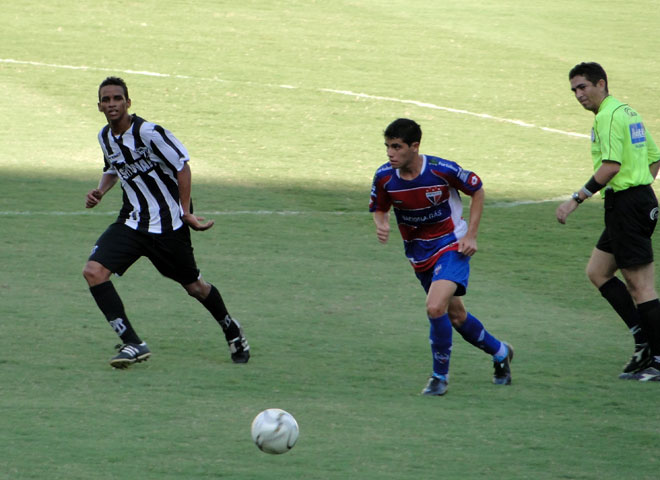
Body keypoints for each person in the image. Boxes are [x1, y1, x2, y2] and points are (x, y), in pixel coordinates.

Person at [83, 76, 250, 368]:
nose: (111, 104)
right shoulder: (105, 137)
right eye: (106, 100)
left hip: (169, 225)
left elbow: (182, 167)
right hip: (132, 221)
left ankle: (231, 329)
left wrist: (185, 211)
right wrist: (101, 190)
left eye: (117, 99)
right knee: (94, 271)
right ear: (99, 105)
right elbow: (113, 168)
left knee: (195, 287)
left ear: (128, 102)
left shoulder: (150, 133)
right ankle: (133, 343)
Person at [369, 118, 513, 396]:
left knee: (435, 307)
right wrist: (381, 222)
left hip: (451, 245)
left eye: (396, 147)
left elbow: (477, 189)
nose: (390, 153)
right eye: (387, 146)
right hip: (418, 253)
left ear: (415, 146)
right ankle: (500, 352)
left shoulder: (441, 170)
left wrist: (471, 235)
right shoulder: (385, 176)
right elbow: (379, 206)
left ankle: (439, 377)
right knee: (456, 316)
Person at [556, 62, 660, 381]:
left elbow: (611, 166)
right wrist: (642, 186)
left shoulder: (608, 117)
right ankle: (643, 342)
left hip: (628, 204)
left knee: (641, 286)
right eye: (574, 89)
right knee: (598, 272)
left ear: (601, 84)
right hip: (631, 202)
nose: (578, 94)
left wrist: (576, 199)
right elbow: (654, 158)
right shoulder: (627, 112)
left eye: (583, 87)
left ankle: (658, 358)